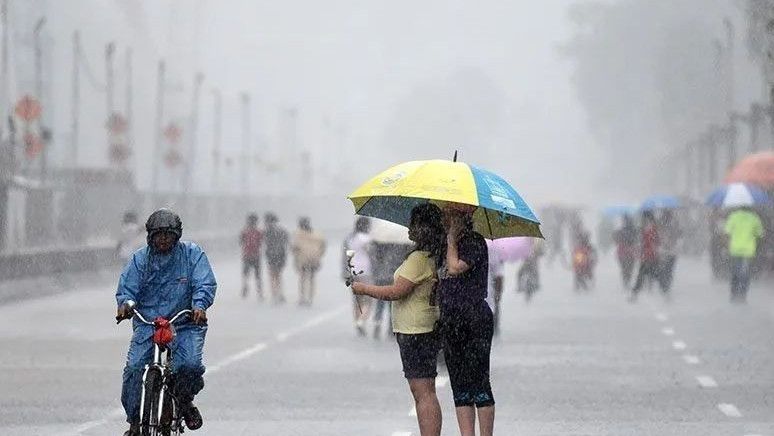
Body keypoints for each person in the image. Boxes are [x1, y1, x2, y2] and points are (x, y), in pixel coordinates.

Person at [115, 208, 217, 436]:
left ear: (177, 236)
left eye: (168, 235)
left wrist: (199, 306)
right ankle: (134, 422)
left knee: (188, 366)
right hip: (148, 323)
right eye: (158, 235)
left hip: (184, 322)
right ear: (149, 236)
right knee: (133, 369)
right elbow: (127, 288)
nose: (163, 240)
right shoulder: (140, 260)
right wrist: (125, 304)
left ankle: (183, 400)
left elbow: (204, 283)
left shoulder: (192, 256)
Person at [351, 204, 445, 436]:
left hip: (416, 330)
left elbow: (396, 292)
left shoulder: (419, 259)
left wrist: (364, 289)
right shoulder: (432, 255)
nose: (409, 228)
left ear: (424, 228)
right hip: (422, 327)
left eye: (414, 223)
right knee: (423, 390)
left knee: (423, 392)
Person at [438, 203, 495, 436]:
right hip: (451, 319)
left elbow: (454, 268)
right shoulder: (444, 244)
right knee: (459, 384)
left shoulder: (473, 242)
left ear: (462, 218)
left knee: (479, 382)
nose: (445, 220)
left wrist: (451, 240)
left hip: (474, 319)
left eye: (450, 216)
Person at [343, 217, 376, 336]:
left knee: (357, 300)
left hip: (353, 271)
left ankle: (357, 321)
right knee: (368, 300)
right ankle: (361, 321)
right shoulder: (368, 240)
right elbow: (373, 256)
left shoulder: (350, 239)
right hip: (366, 272)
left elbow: (348, 256)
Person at [724, 207, 764, 303]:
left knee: (735, 272)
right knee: (745, 274)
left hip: (735, 249)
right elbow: (760, 234)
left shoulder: (733, 216)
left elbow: (727, 232)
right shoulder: (755, 218)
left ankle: (733, 294)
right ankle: (742, 295)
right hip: (748, 251)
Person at [291, 217, 327, 306]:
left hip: (303, 260)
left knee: (303, 278)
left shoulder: (298, 234)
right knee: (310, 278)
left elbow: (294, 248)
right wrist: (319, 255)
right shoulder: (317, 234)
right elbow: (323, 245)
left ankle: (303, 297)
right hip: (313, 259)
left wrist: (295, 259)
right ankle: (309, 297)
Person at [630, 210, 660, 302]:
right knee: (649, 274)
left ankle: (635, 294)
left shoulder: (650, 229)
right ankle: (635, 293)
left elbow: (653, 242)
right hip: (649, 255)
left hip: (649, 255)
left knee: (644, 275)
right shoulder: (650, 228)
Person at [264, 212, 289, 304]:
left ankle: (275, 294)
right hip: (281, 255)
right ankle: (280, 293)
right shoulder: (282, 231)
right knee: (278, 275)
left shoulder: (267, 231)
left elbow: (266, 244)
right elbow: (286, 242)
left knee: (273, 275)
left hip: (272, 256)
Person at [240, 213, 264, 300]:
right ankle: (259, 291)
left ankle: (245, 287)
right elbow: (261, 242)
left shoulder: (244, 232)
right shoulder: (259, 232)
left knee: (246, 274)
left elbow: (241, 242)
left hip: (247, 255)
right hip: (256, 256)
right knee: (257, 275)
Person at [657, 210, 681, 295]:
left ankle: (664, 285)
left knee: (664, 269)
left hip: (665, 251)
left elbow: (657, 236)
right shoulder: (674, 223)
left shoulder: (660, 223)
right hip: (669, 251)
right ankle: (666, 285)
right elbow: (679, 234)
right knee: (668, 269)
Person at [613, 215, 639, 287]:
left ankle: (626, 280)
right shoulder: (634, 230)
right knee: (629, 268)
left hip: (623, 252)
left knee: (624, 268)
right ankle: (627, 279)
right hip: (630, 252)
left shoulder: (621, 230)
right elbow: (636, 239)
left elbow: (616, 240)